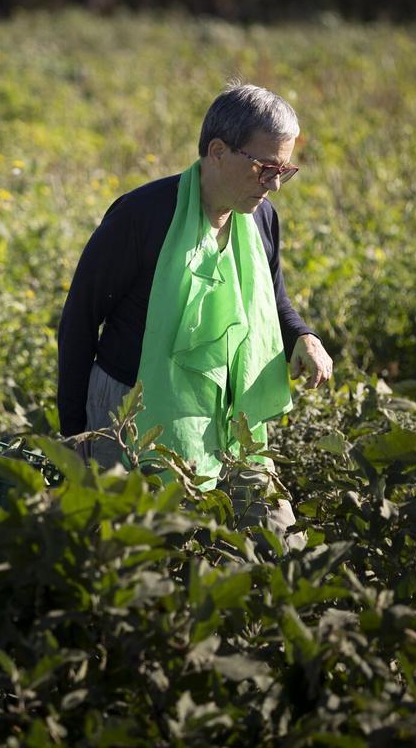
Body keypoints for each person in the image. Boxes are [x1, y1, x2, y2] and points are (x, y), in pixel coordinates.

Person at [57, 83, 333, 541]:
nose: (275, 184)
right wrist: (75, 437)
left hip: (227, 412)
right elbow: (79, 322)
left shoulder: (261, 218)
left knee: (277, 540)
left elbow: (274, 295)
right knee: (144, 553)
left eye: (284, 169)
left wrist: (303, 336)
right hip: (128, 413)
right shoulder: (143, 215)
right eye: (266, 168)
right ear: (218, 151)